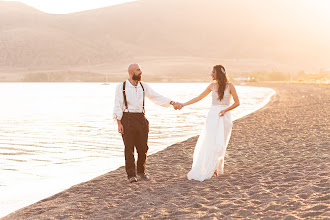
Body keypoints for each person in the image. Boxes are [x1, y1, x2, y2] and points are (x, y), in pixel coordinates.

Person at [113, 63, 182, 183]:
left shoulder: (143, 86)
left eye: (140, 70)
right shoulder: (121, 87)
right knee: (129, 149)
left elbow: (156, 97)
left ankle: (141, 172)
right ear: (131, 72)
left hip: (141, 118)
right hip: (127, 118)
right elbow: (117, 105)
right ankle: (131, 175)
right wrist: (119, 123)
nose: (141, 72)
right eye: (138, 70)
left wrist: (172, 102)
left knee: (143, 148)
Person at [181, 65, 240, 181]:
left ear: (219, 73)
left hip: (225, 116)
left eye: (213, 72)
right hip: (213, 115)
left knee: (221, 142)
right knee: (211, 141)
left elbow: (237, 103)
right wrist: (183, 104)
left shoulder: (230, 86)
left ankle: (217, 168)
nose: (211, 74)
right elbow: (198, 98)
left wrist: (225, 110)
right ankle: (213, 169)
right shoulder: (212, 86)